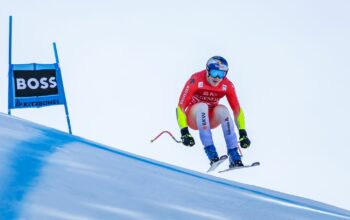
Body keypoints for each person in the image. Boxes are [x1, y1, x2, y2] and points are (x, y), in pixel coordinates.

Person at [176, 56, 251, 167]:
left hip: (210, 119)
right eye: (214, 72)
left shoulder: (227, 85)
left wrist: (243, 132)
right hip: (193, 117)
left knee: (223, 110)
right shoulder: (196, 80)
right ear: (207, 70)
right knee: (202, 107)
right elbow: (180, 107)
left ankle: (234, 154)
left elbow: (237, 109)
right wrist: (184, 132)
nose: (217, 77)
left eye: (221, 74)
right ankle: (211, 154)